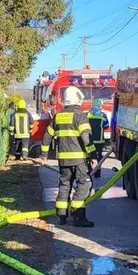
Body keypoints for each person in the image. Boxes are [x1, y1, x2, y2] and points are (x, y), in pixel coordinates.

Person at [37, 86, 97, 227]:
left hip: (63, 160)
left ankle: (62, 217)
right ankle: (78, 217)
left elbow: (47, 136)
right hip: (79, 160)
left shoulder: (58, 116)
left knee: (64, 186)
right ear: (78, 100)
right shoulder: (80, 116)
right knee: (84, 185)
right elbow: (86, 138)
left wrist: (43, 155)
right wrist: (93, 156)